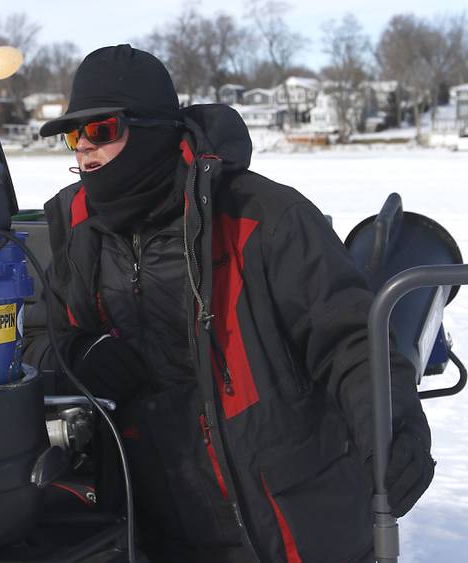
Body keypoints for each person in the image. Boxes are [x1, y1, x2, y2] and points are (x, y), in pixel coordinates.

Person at [23, 44, 435, 563]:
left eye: (100, 130)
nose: (84, 149)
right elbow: (38, 337)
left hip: (286, 527)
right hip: (153, 529)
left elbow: (351, 339)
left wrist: (393, 430)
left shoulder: (262, 217)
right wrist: (82, 352)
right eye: (72, 135)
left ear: (152, 129)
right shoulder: (77, 229)